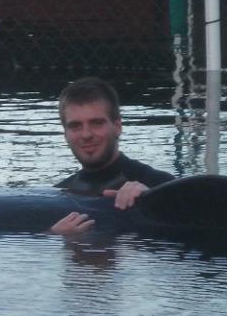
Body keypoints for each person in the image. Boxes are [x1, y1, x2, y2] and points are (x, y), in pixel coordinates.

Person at [50, 77, 174, 236]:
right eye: (75, 126)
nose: (86, 134)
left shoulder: (160, 185)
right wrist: (53, 237)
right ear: (65, 134)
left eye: (96, 123)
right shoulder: (60, 194)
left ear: (117, 127)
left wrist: (155, 202)